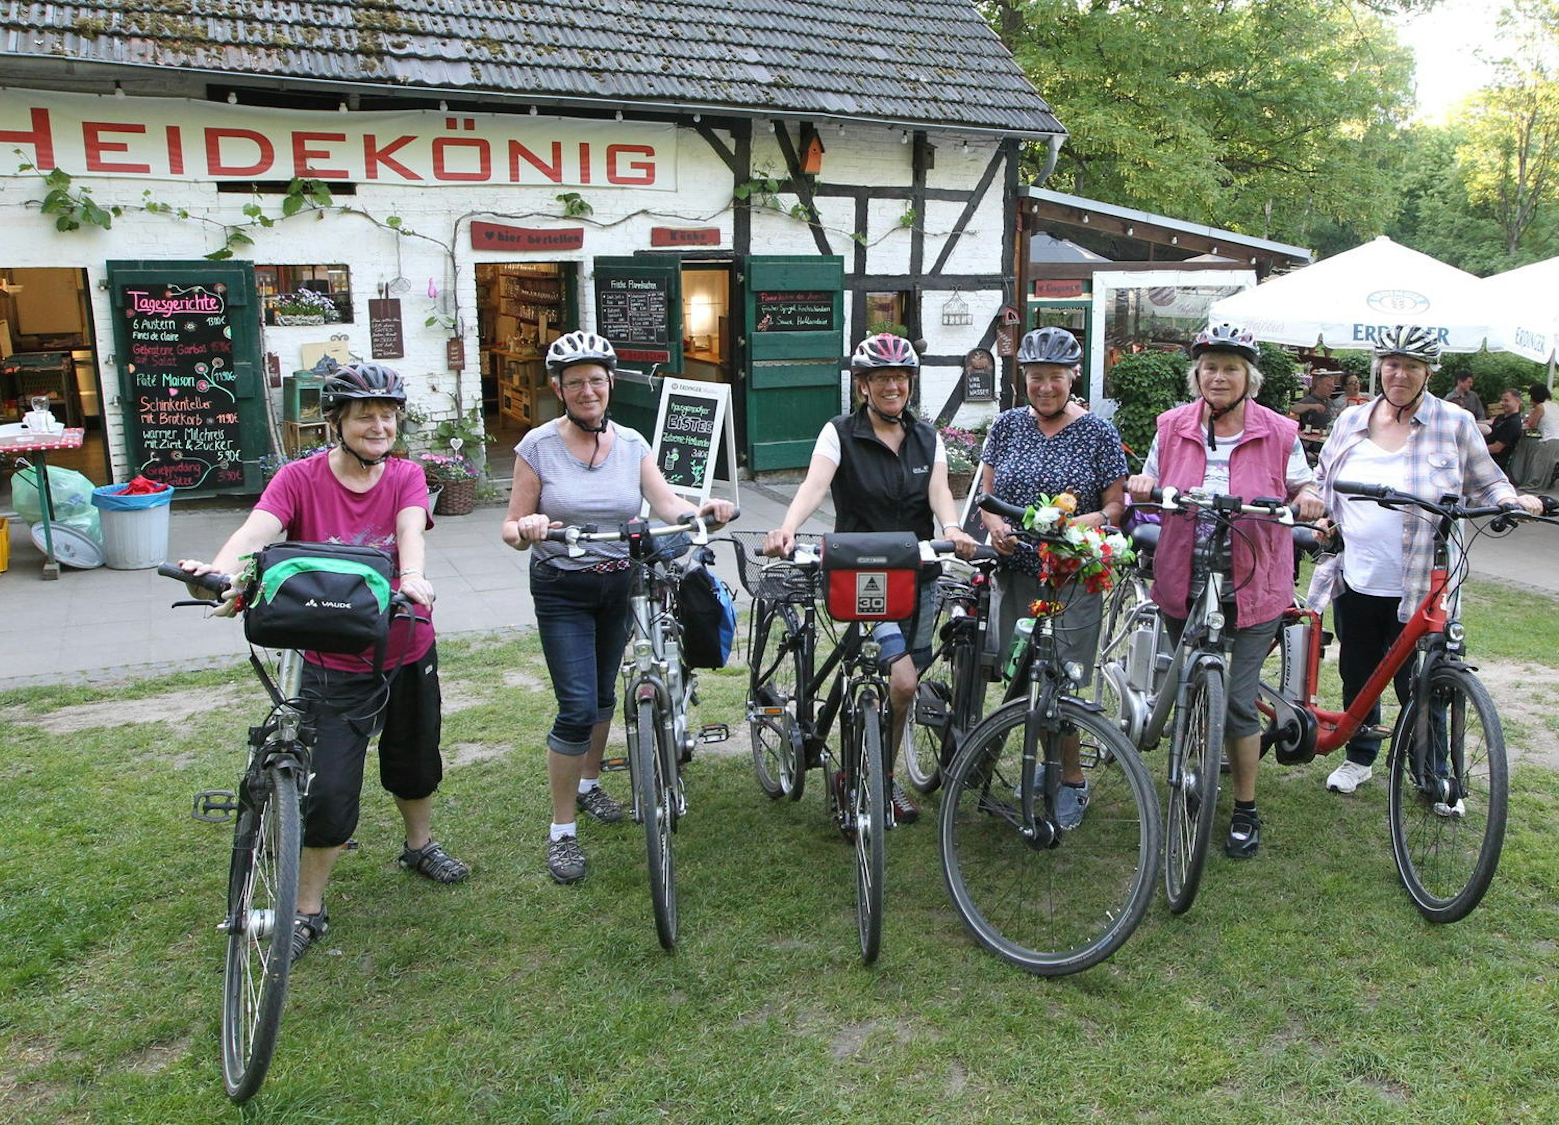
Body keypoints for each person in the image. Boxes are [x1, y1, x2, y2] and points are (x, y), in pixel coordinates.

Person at [180, 363, 466, 961]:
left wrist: (412, 575)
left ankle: (419, 846)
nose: (379, 426)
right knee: (329, 789)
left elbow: (410, 532)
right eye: (365, 416)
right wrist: (220, 572)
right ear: (336, 421)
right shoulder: (298, 479)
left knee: (416, 759)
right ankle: (307, 908)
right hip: (331, 658)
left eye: (388, 416)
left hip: (406, 643)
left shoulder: (406, 475)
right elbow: (257, 531)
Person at [502, 331, 736, 884]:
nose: (587, 391)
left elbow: (666, 502)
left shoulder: (631, 443)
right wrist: (528, 527)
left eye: (596, 381)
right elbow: (511, 527)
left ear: (610, 384)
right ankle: (562, 831)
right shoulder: (537, 446)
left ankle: (589, 785)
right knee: (576, 707)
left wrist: (701, 511)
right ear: (559, 389)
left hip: (621, 584)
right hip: (562, 587)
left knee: (605, 694)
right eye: (575, 383)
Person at [1309, 327, 1542, 798]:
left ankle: (1432, 773)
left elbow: (1488, 480)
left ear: (1428, 372)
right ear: (1380, 367)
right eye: (1392, 364)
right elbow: (1322, 480)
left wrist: (1513, 500)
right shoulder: (1352, 420)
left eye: (1412, 366)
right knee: (1359, 674)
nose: (1399, 374)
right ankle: (1360, 757)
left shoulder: (1453, 422)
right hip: (1357, 576)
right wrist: (1316, 511)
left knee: (1425, 683)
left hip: (1423, 584)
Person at [1125, 323, 1324, 858]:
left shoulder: (1279, 431)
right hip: (1183, 574)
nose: (1218, 376)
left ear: (1248, 378)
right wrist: (1142, 485)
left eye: (1230, 368)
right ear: (1197, 375)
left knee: (1238, 700)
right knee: (1190, 682)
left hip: (1254, 580)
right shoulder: (1171, 426)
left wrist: (1308, 497)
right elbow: (1148, 481)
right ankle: (1191, 764)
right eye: (1209, 367)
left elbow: (1304, 484)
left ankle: (1244, 807)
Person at [764, 333, 975, 824]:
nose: (892, 387)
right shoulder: (839, 433)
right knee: (902, 680)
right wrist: (787, 528)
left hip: (918, 571)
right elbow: (815, 484)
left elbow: (940, 493)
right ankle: (867, 774)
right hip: (863, 575)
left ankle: (881, 774)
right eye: (881, 379)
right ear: (863, 385)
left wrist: (951, 528)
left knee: (904, 687)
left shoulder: (926, 437)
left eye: (900, 378)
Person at [976, 326, 1128, 829]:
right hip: (1018, 572)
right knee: (1025, 674)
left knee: (1061, 676)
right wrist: (996, 527)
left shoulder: (1097, 432)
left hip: (1071, 575)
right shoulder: (1007, 426)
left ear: (1073, 376)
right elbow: (987, 500)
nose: (1045, 387)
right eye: (1036, 377)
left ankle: (1072, 780)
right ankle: (1046, 765)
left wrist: (1071, 525)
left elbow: (1114, 507)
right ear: (1023, 377)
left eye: (1055, 377)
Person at [1510, 382, 1559, 489]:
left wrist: (1532, 412)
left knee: (1524, 443)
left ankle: (1518, 474)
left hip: (1551, 445)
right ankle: (1520, 474)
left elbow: (1531, 424)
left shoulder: (1539, 407)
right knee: (1528, 443)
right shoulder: (1555, 405)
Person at [1484, 386, 1527, 474]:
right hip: (1485, 455)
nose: (1502, 403)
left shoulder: (1513, 423)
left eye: (1506, 400)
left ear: (1517, 401)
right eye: (1502, 400)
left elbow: (1497, 448)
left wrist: (1474, 450)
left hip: (1493, 462)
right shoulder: (1501, 417)